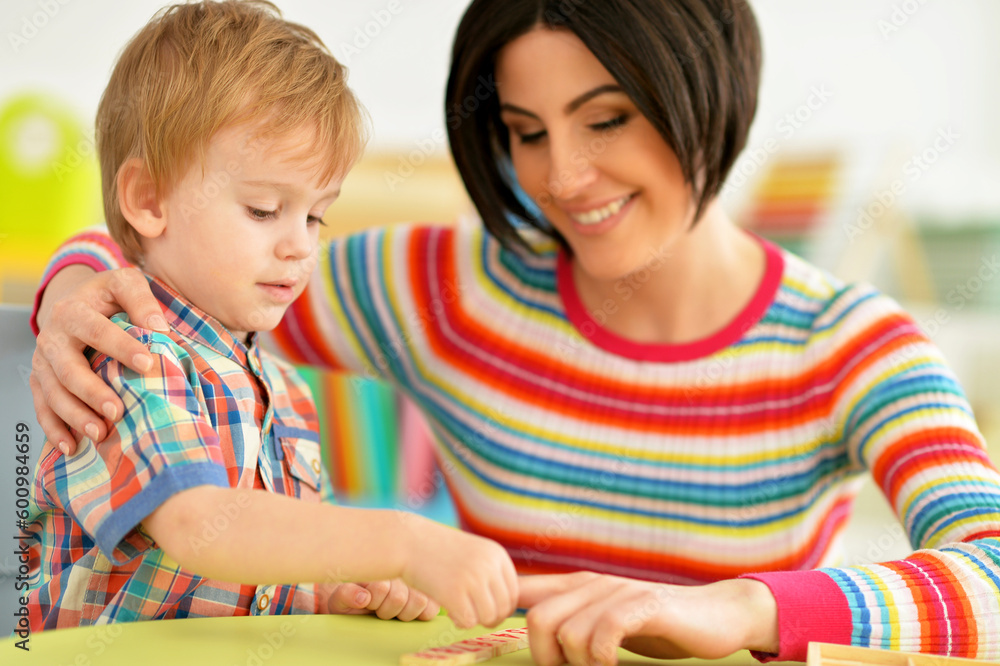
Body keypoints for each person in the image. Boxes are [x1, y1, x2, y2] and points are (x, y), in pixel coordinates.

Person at [29, 0, 1000, 663]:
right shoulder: (442, 288)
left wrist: (740, 607)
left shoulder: (853, 346)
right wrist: (75, 288)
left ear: (708, 92)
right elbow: (191, 275)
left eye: (608, 119)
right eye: (527, 134)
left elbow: (989, 568)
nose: (563, 177)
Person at [22, 0, 518, 632]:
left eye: (315, 216)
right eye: (263, 209)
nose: (299, 245)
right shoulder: (134, 356)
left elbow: (270, 563)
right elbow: (198, 523)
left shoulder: (284, 392)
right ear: (148, 199)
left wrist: (339, 587)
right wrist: (404, 542)